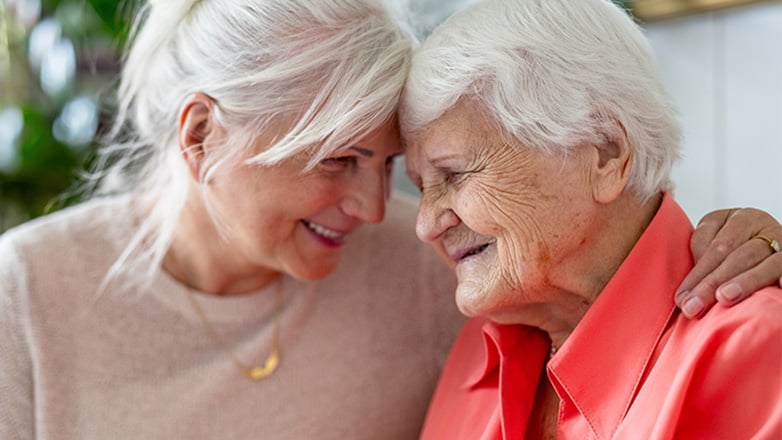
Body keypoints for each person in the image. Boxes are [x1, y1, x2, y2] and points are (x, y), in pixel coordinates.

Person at [0, 0, 778, 438]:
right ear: (200, 135)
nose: (384, 213)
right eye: (338, 159)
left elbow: (622, 272)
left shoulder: (444, 285)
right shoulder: (24, 297)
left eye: (388, 167)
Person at [400, 0, 782, 438]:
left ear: (604, 152)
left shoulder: (754, 348)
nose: (425, 223)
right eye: (420, 184)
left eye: (453, 173)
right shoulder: (477, 351)